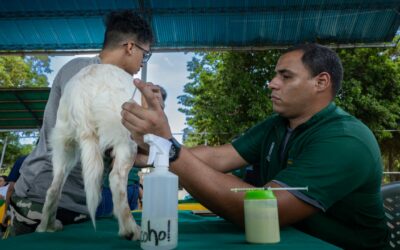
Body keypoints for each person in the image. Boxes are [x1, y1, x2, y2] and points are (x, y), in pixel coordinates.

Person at [121, 43, 389, 249]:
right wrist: (151, 154)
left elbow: (264, 211)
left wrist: (168, 148)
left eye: (285, 76)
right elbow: (218, 156)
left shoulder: (345, 140)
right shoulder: (278, 124)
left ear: (321, 82)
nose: (272, 83)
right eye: (275, 75)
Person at [9, 10, 153, 236]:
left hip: (78, 205)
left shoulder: (118, 84)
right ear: (130, 47)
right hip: (39, 197)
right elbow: (95, 132)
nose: (142, 64)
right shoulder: (81, 70)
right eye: (145, 55)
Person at [96, 85, 167, 216]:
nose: (154, 106)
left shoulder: (154, 129)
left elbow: (153, 154)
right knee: (107, 227)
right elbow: (113, 153)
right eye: (150, 100)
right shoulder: (126, 120)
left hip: (132, 186)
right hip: (110, 188)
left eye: (159, 105)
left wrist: (139, 188)